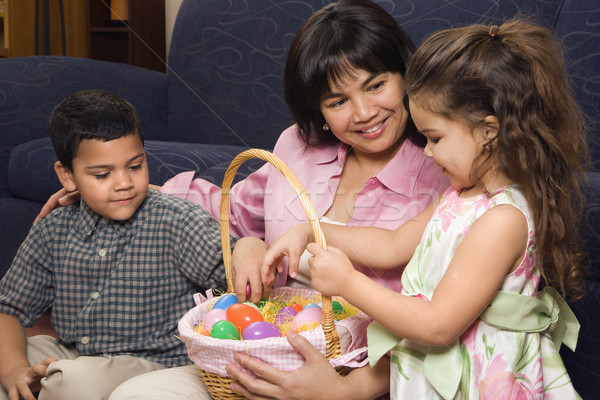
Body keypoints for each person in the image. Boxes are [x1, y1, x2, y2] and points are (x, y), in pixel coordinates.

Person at [104, 0, 450, 398]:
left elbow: (444, 324)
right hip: (259, 353)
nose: (364, 112)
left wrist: (348, 390)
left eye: (376, 85)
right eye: (337, 101)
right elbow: (233, 212)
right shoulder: (297, 147)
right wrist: (123, 185)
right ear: (318, 110)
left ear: (406, 76)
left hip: (364, 377)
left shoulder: (445, 169)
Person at [262, 19, 588, 399]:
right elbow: (392, 245)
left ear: (489, 131)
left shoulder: (503, 219)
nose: (427, 152)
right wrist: (310, 230)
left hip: (480, 381)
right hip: (433, 371)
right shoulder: (461, 195)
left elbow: (437, 325)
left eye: (434, 138)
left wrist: (348, 283)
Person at [0, 89, 235, 400]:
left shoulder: (178, 220)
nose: (124, 182)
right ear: (67, 176)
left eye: (135, 166)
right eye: (102, 174)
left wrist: (247, 249)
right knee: (23, 366)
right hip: (75, 351)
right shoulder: (52, 230)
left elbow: (233, 270)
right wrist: (14, 370)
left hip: (153, 362)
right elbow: (9, 310)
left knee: (70, 382)